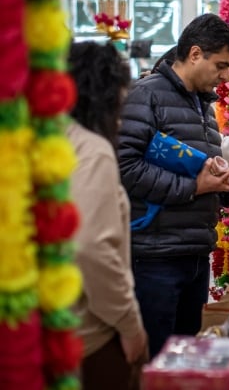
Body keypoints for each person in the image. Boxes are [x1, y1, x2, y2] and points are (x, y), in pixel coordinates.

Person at [117, 14, 229, 358]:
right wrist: (194, 187)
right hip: (155, 257)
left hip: (195, 254)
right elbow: (124, 167)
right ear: (195, 54)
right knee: (156, 359)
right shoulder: (145, 96)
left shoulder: (204, 107)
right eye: (221, 65)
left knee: (186, 359)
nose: (227, 76)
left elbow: (203, 170)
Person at [67, 41, 147, 389]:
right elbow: (91, 248)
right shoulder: (91, 150)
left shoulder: (35, 143)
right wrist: (130, 325)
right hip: (90, 335)